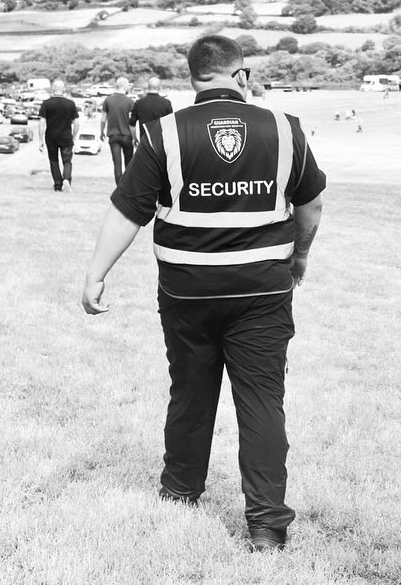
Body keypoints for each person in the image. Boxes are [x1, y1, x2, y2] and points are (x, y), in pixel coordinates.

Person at [80, 34, 325, 553]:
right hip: (262, 291)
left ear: (194, 78)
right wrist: (300, 254)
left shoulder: (164, 132)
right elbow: (311, 205)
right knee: (261, 400)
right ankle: (265, 525)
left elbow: (129, 211)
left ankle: (179, 491)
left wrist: (96, 272)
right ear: (242, 76)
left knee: (190, 391)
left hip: (187, 293)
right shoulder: (285, 129)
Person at [38, 80, 80, 192]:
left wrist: (40, 140)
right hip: (66, 136)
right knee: (67, 160)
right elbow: (76, 123)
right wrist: (74, 136)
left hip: (51, 136)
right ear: (64, 89)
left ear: (53, 89)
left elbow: (42, 122)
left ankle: (57, 184)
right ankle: (66, 178)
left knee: (53, 160)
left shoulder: (46, 103)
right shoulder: (70, 104)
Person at [100, 77, 135, 184]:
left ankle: (119, 188)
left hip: (113, 135)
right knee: (129, 163)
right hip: (126, 135)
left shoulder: (108, 100)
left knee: (117, 164)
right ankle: (127, 187)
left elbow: (103, 119)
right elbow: (132, 122)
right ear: (125, 86)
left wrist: (101, 131)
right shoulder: (130, 101)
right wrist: (134, 137)